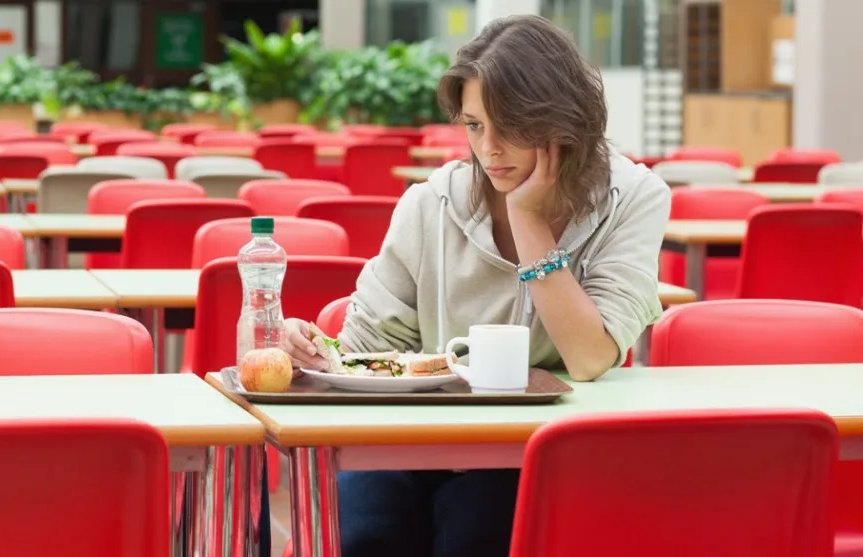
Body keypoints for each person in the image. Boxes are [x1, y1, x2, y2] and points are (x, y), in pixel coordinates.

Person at [281, 14, 671, 557]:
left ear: (562, 121)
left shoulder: (633, 198)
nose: (488, 149)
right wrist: (314, 350)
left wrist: (530, 221)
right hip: (412, 444)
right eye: (473, 125)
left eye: (508, 126)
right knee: (368, 536)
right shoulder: (431, 201)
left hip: (536, 449)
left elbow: (588, 357)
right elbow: (366, 353)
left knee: (476, 532)